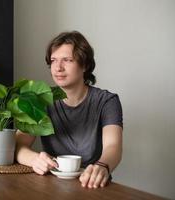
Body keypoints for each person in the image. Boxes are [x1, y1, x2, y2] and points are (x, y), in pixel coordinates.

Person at [15, 31, 123, 189]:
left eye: (67, 60)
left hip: (92, 184)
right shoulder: (40, 100)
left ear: (85, 65)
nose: (58, 68)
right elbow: (18, 145)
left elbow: (113, 146)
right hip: (51, 186)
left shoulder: (107, 101)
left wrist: (102, 166)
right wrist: (34, 159)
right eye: (53, 60)